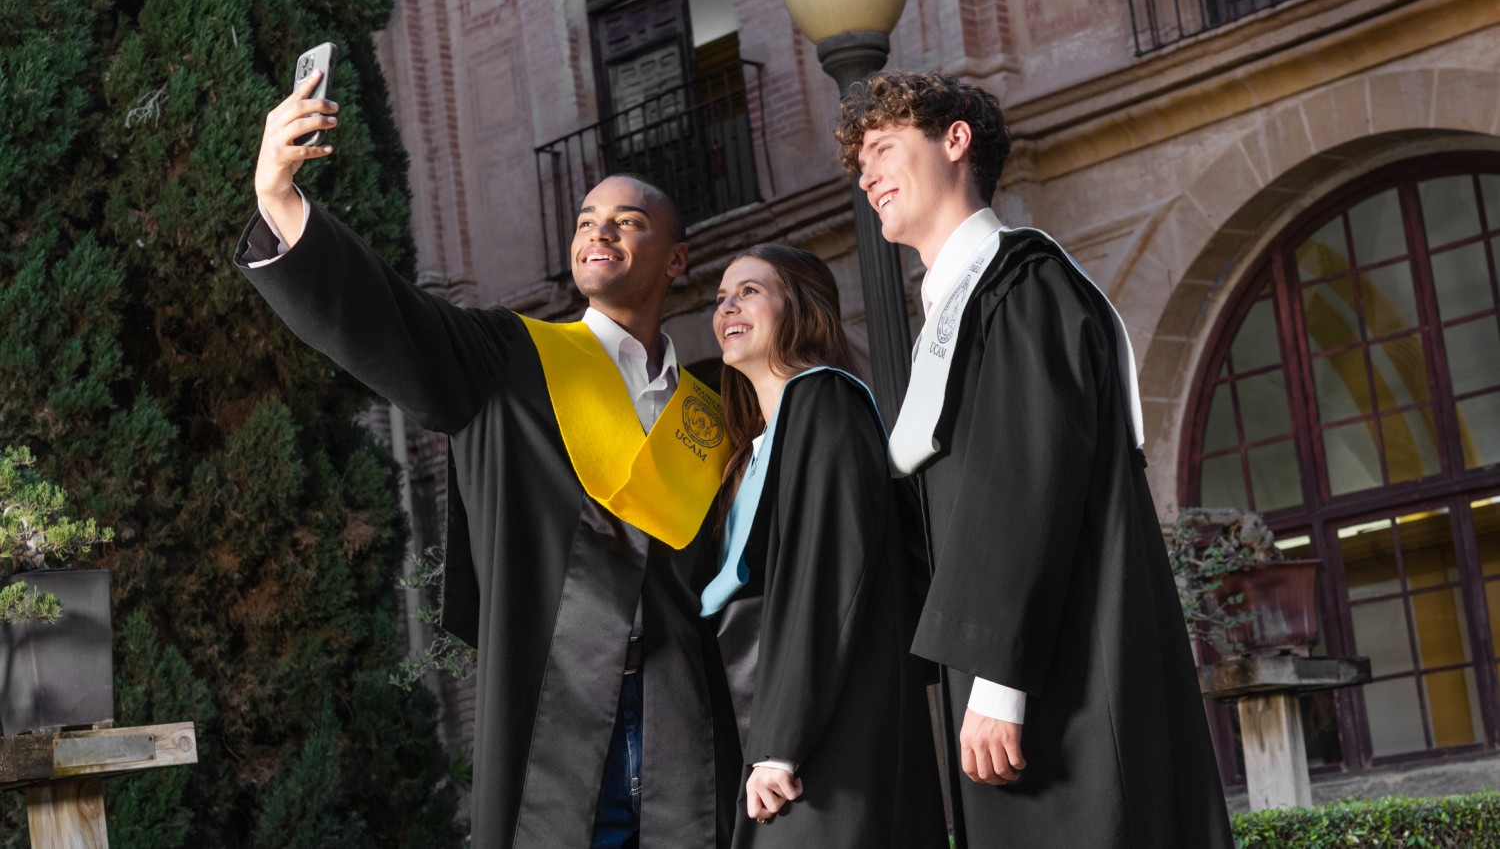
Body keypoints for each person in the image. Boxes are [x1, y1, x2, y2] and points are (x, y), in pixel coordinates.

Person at [239, 71, 739, 848]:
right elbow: (391, 318)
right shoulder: (511, 357)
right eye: (585, 220)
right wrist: (280, 199)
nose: (597, 232)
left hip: (685, 717)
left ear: (677, 260)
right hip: (562, 717)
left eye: (627, 221)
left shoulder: (712, 420)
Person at [834, 70, 1234, 847]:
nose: (867, 176)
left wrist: (997, 680)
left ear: (956, 140)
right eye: (861, 163)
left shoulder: (1023, 285)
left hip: (1058, 676)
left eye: (883, 147)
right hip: (1013, 666)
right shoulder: (956, 311)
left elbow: (1023, 481)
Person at [698, 245, 948, 848]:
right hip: (757, 716)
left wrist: (781, 742)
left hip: (819, 730)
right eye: (721, 298)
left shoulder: (825, 399)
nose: (727, 307)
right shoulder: (749, 451)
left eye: (750, 291)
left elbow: (829, 573)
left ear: (802, 307)